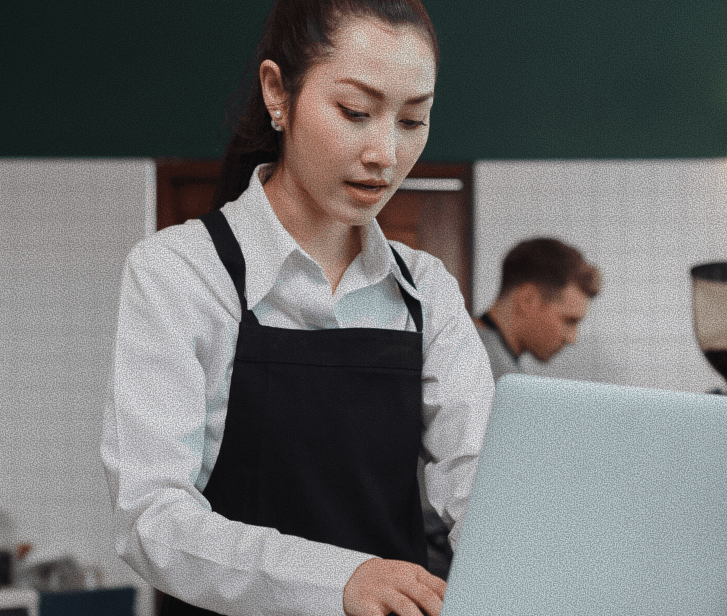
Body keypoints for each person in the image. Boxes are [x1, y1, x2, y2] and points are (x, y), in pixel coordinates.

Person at [99, 2, 494, 615]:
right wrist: (340, 582)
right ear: (278, 93)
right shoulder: (180, 273)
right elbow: (151, 519)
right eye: (355, 113)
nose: (385, 154)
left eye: (413, 120)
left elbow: (484, 492)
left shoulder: (428, 292)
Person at [474, 238, 601, 382]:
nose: (572, 338)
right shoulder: (487, 371)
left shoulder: (478, 352)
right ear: (527, 300)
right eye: (569, 321)